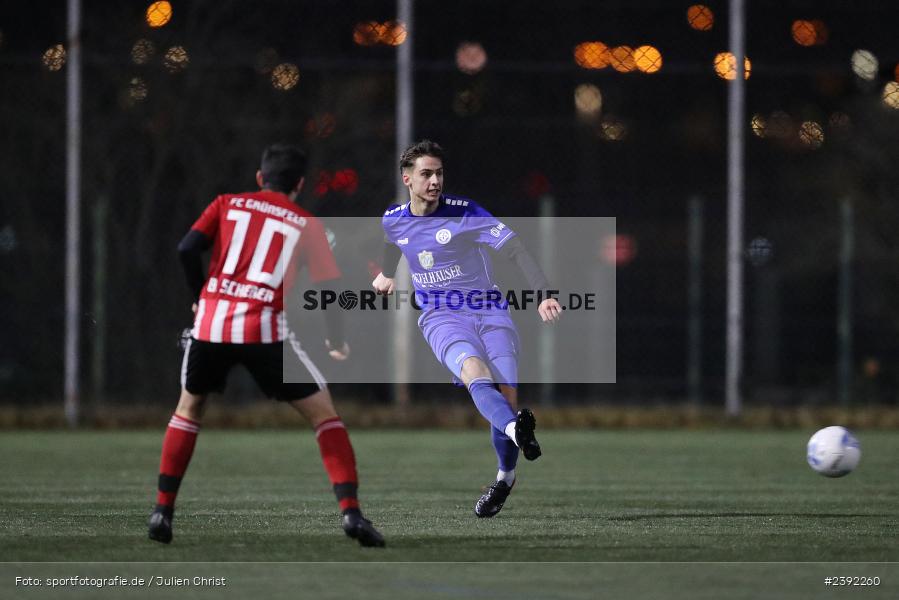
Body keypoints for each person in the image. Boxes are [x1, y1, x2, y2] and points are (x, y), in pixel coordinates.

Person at [148, 144, 385, 547]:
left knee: (188, 409)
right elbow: (329, 287)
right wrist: (335, 339)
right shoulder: (305, 223)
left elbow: (186, 248)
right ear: (300, 185)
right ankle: (351, 513)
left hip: (211, 324)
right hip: (263, 329)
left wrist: (199, 295)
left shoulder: (226, 203)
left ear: (260, 178)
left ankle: (162, 511)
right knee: (324, 415)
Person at [372, 140, 562, 518]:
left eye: (439, 173)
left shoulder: (465, 213)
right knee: (474, 371)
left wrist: (543, 293)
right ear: (407, 179)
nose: (435, 181)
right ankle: (516, 433)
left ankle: (505, 477)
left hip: (491, 312)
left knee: (505, 399)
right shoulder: (393, 217)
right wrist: (387, 273)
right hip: (441, 317)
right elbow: (394, 241)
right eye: (426, 174)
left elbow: (514, 248)